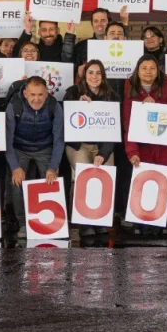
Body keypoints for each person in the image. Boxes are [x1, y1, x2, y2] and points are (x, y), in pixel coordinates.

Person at [122, 54, 167, 234]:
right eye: (144, 68)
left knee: (165, 186)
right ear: (138, 71)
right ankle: (142, 223)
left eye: (152, 68)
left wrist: (154, 105)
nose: (148, 72)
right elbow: (128, 124)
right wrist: (132, 152)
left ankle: (161, 223)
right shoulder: (130, 88)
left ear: (158, 71)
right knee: (145, 186)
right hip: (144, 149)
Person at [62, 60, 119, 237]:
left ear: (103, 76)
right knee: (84, 175)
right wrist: (79, 105)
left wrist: (104, 153)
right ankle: (84, 222)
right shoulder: (73, 92)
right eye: (90, 73)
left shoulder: (112, 96)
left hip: (103, 145)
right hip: (79, 144)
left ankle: (100, 219)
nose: (94, 76)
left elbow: (113, 129)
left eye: (98, 73)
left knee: (105, 176)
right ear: (84, 75)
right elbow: (65, 121)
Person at [5, 76, 65, 238]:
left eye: (40, 95)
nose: (36, 99)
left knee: (51, 180)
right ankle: (23, 223)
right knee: (17, 183)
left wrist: (53, 167)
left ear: (47, 94)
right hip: (19, 148)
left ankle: (51, 222)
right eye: (32, 94)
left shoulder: (54, 106)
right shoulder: (14, 105)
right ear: (25, 93)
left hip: (44, 147)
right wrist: (15, 167)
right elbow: (7, 140)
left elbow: (59, 139)